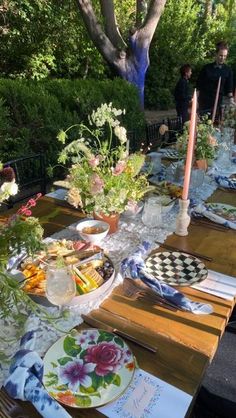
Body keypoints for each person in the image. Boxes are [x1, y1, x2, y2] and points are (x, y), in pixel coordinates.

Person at [196, 41, 234, 121]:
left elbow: (229, 89)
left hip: (218, 104)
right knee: (204, 126)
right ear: (216, 54)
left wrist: (231, 101)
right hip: (204, 103)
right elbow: (198, 86)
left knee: (216, 126)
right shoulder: (206, 68)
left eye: (225, 56)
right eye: (220, 55)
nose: (222, 58)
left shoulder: (228, 70)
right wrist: (196, 102)